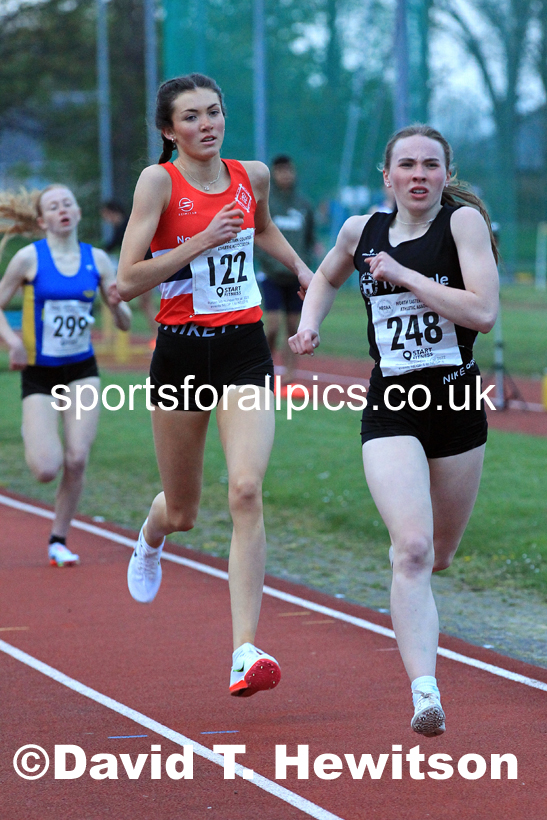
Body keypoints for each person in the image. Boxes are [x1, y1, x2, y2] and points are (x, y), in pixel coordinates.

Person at [289, 124, 499, 735]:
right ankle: (425, 691)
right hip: (392, 402)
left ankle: (423, 614)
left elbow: (483, 313)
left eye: (430, 165)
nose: (418, 175)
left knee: (440, 557)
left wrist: (405, 276)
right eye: (406, 165)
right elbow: (326, 277)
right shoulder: (360, 231)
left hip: (457, 400)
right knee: (411, 548)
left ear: (445, 173)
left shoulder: (461, 226)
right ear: (387, 176)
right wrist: (309, 325)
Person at [116, 74, 313, 697]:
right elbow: (127, 279)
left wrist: (304, 271)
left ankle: (243, 650)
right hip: (179, 354)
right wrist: (201, 240)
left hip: (243, 350)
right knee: (184, 511)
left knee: (247, 490)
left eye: (215, 113)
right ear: (168, 130)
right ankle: (151, 537)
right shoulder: (159, 182)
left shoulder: (250, 174)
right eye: (193, 117)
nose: (208, 124)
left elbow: (260, 230)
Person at [0, 185, 131, 566]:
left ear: (77, 212)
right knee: (45, 468)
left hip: (82, 371)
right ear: (42, 221)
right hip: (40, 373)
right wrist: (13, 344)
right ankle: (35, 428)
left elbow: (123, 323)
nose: (62, 210)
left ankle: (59, 538)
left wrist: (119, 307)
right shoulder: (28, 258)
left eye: (68, 203)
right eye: (53, 206)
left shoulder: (99, 260)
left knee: (77, 459)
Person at [255, 155, 315, 394]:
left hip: (294, 278)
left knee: (293, 326)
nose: (285, 176)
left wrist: (305, 264)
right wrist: (268, 262)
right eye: (280, 172)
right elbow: (258, 234)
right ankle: (265, 366)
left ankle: (291, 373)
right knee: (271, 326)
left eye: (289, 171)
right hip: (271, 275)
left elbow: (310, 240)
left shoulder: (303, 204)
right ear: (273, 174)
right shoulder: (267, 204)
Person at [101, 199, 157, 336]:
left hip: (146, 266)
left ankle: (158, 335)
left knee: (146, 303)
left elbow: (111, 245)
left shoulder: (124, 226)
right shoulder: (125, 224)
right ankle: (157, 334)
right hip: (146, 265)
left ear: (112, 212)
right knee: (145, 303)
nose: (106, 220)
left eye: (106, 216)